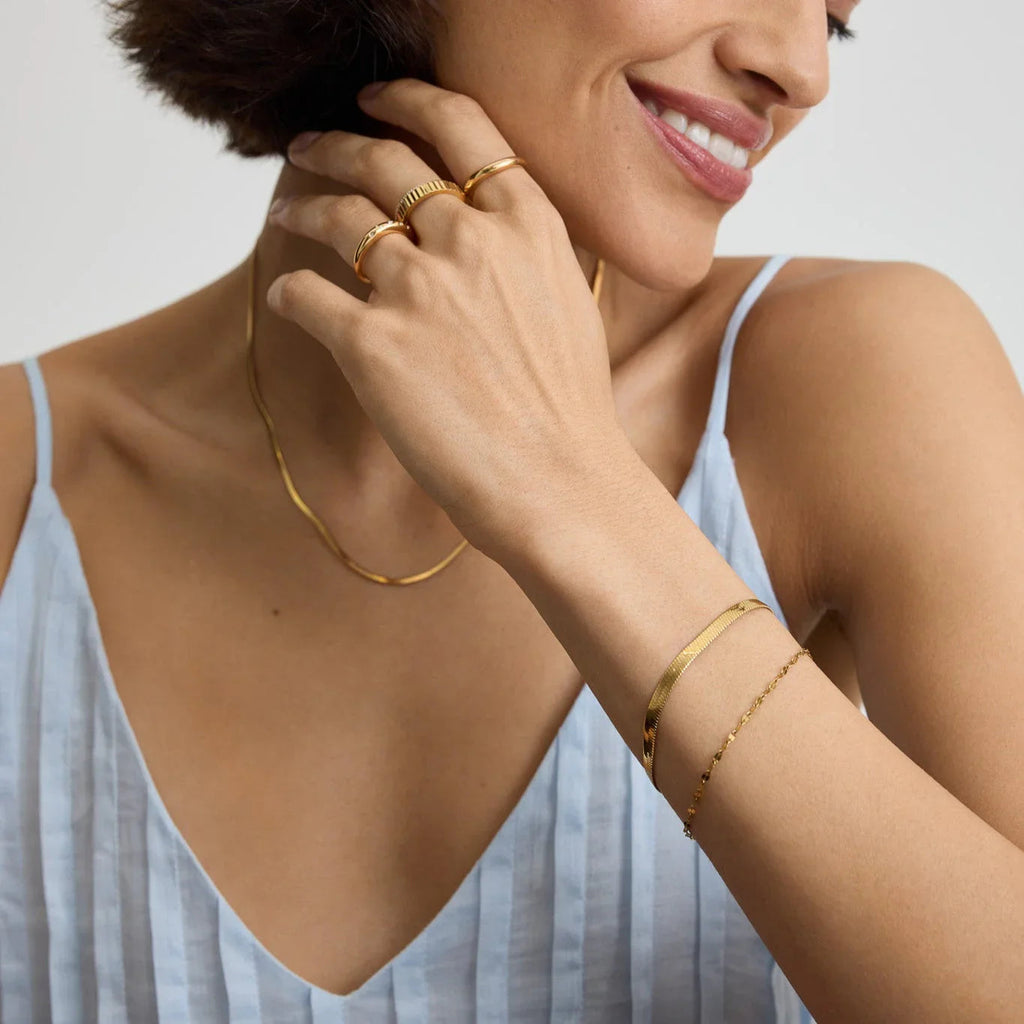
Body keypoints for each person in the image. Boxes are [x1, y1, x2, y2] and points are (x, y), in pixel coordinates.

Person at [1, 0, 1022, 1020]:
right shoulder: (22, 482)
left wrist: (576, 494)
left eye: (835, 19)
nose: (801, 70)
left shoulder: (847, 384)